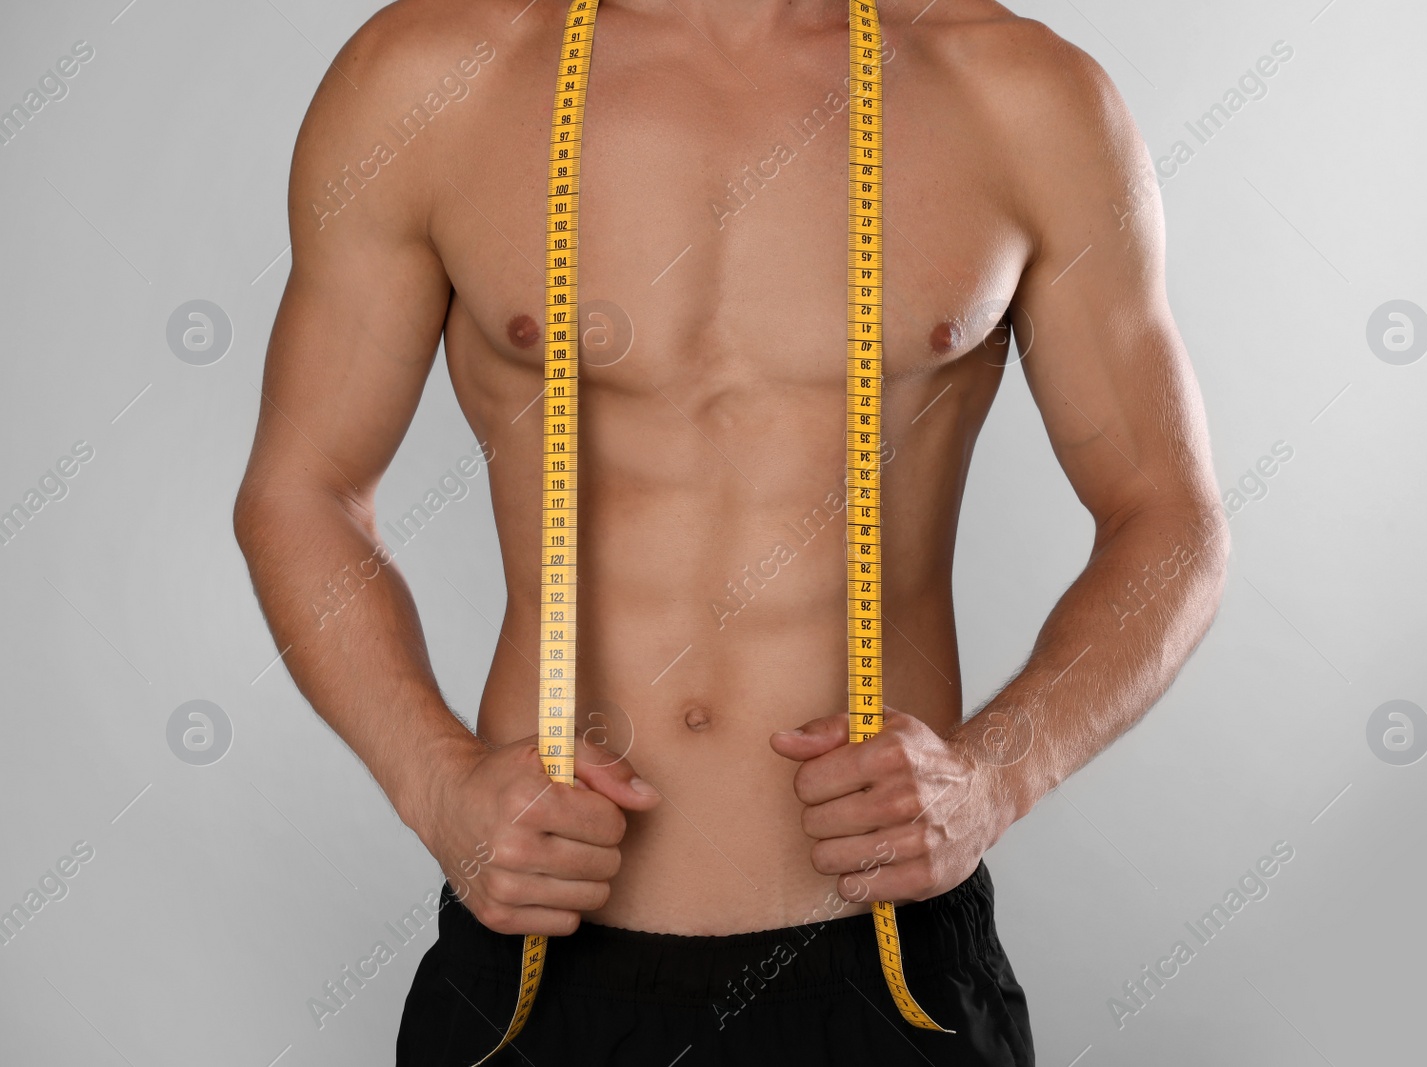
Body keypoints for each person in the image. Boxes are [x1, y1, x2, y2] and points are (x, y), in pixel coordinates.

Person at [232, 0, 1229, 1062]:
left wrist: (996, 777)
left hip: (886, 958)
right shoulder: (432, 76)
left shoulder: (1017, 92)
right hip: (537, 956)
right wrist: (436, 783)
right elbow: (301, 490)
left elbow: (1168, 520)